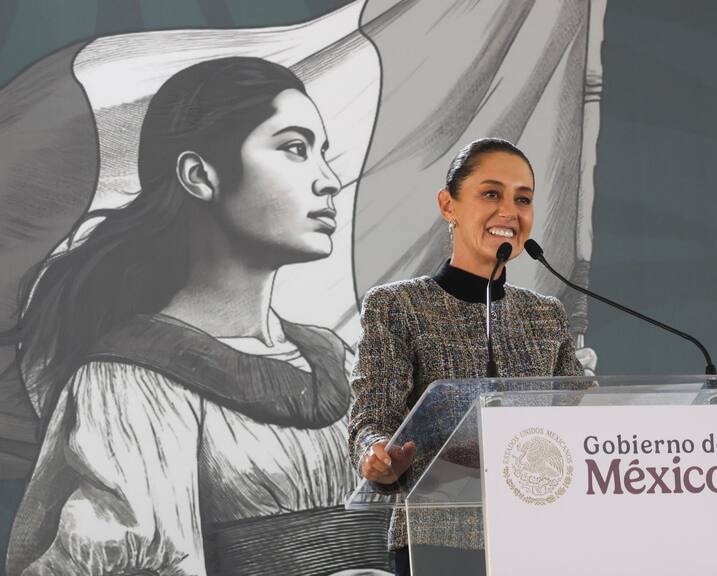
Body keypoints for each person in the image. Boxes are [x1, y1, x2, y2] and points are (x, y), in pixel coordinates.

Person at [5, 57, 390, 576]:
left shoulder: (336, 360)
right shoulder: (131, 382)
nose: (330, 181)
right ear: (199, 175)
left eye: (324, 153)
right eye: (295, 149)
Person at [348, 138, 586, 576]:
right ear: (448, 205)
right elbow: (372, 416)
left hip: (542, 538)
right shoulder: (398, 305)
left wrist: (699, 448)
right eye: (491, 193)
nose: (509, 212)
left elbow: (583, 424)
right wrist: (377, 454)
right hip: (440, 541)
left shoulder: (545, 314)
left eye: (523, 199)